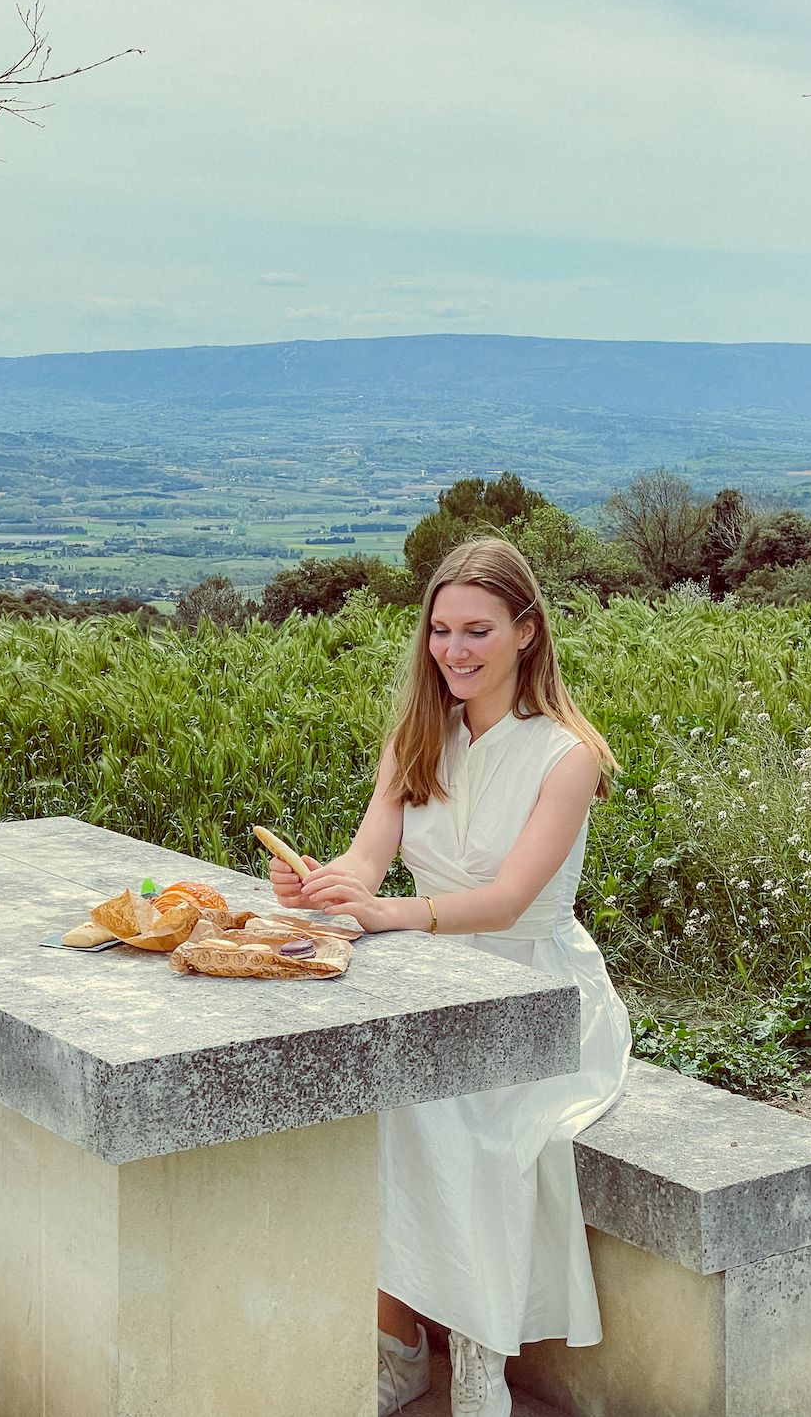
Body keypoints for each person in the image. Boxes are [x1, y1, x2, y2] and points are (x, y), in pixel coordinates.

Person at [267, 537, 631, 1417]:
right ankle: (398, 1345)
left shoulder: (567, 756)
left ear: (527, 633)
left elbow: (508, 901)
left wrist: (388, 912)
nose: (455, 651)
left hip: (537, 995)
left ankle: (478, 1359)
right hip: (431, 980)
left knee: (475, 1124)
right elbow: (366, 859)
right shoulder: (416, 736)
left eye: (477, 630)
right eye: (440, 630)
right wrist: (322, 884)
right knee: (376, 1105)